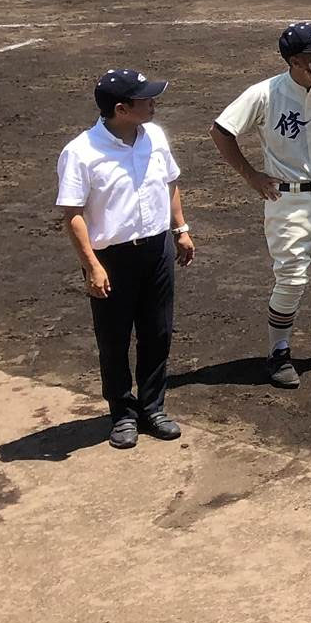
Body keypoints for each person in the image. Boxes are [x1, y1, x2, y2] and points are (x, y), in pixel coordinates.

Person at [212, 23, 311, 388]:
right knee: (292, 278)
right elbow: (221, 130)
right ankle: (278, 351)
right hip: (287, 200)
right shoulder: (266, 93)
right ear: (295, 61)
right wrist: (251, 176)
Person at [57, 69, 195, 449]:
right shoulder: (81, 152)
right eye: (145, 99)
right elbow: (73, 214)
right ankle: (121, 413)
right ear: (121, 109)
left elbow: (170, 183)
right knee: (114, 339)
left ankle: (152, 408)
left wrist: (181, 229)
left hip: (157, 249)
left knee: (158, 332)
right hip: (111, 258)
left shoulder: (155, 136)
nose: (153, 103)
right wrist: (92, 265)